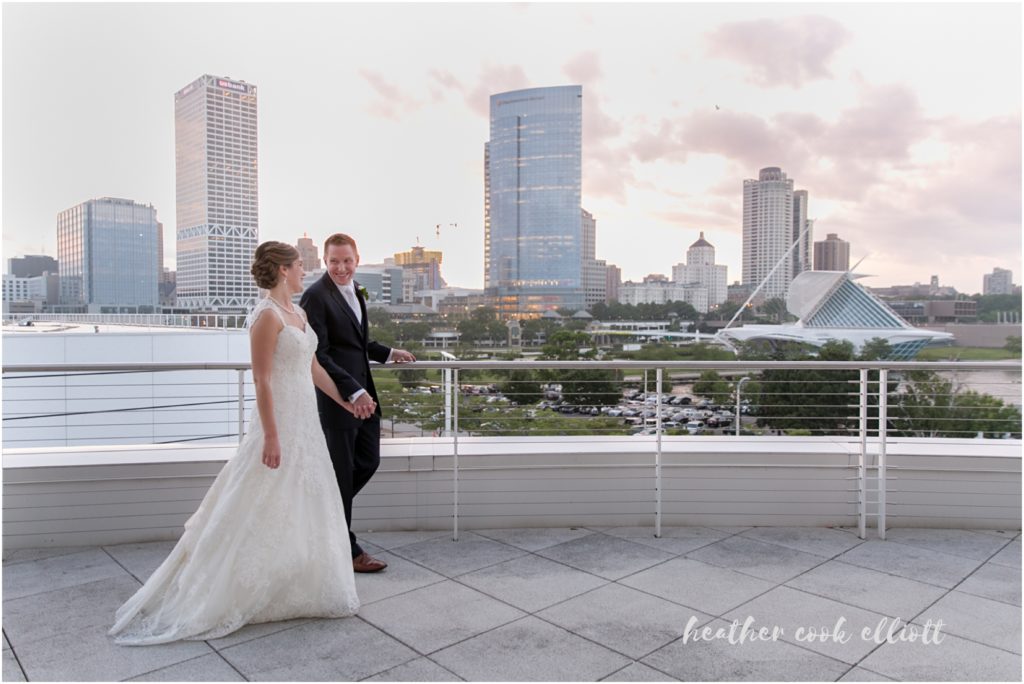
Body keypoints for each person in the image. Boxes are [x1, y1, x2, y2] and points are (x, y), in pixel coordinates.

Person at [109, 242, 360, 645]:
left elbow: (313, 367)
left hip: (306, 423)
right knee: (258, 497)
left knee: (304, 498)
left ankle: (298, 580)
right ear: (283, 270)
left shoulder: (299, 313)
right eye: (299, 265)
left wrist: (345, 400)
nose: (304, 271)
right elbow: (261, 379)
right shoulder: (266, 316)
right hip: (279, 423)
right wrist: (271, 435)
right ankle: (235, 586)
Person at [300, 233, 416, 573]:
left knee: (367, 462)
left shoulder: (356, 290)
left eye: (347, 261)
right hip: (339, 399)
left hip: (365, 395)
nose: (341, 268)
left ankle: (322, 515)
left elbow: (357, 341)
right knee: (341, 476)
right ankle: (347, 550)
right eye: (334, 261)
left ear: (357, 260)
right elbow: (319, 354)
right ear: (324, 261)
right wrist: (352, 391)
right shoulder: (315, 296)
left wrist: (389, 353)